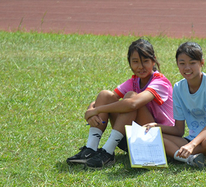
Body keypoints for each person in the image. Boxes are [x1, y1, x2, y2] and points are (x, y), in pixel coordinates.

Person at [67, 38, 174, 168]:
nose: (140, 66)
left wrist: (98, 110)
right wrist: (90, 111)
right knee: (105, 94)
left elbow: (132, 104)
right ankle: (90, 149)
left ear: (154, 60)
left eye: (145, 61)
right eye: (135, 62)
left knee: (131, 98)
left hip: (157, 140)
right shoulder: (134, 81)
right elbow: (104, 100)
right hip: (130, 137)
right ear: (129, 63)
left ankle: (107, 152)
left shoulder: (160, 82)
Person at [146, 42, 206, 169]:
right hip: (193, 141)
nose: (187, 68)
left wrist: (191, 145)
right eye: (182, 63)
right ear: (177, 64)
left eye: (192, 63)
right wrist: (156, 126)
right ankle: (191, 159)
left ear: (202, 63)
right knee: (156, 135)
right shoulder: (178, 88)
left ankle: (178, 153)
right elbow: (178, 130)